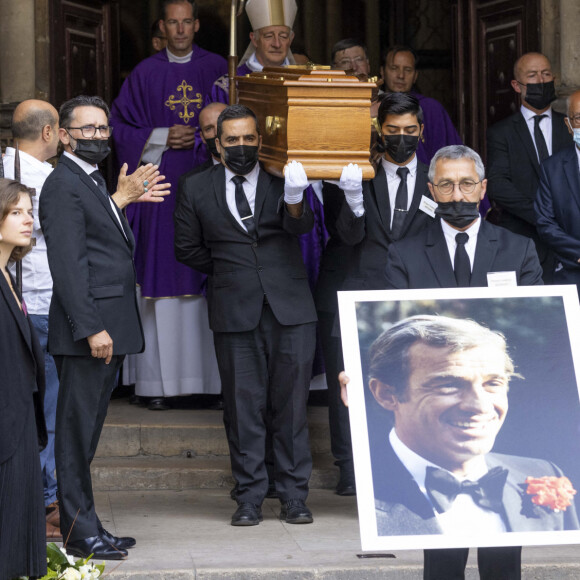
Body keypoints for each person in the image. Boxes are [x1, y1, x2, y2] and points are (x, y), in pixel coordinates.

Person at [342, 145, 543, 580]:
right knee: (443, 559)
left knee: (504, 560)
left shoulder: (519, 249)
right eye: (447, 185)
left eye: (467, 183)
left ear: (484, 188)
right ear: (431, 190)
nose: (458, 195)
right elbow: (388, 332)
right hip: (432, 418)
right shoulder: (405, 253)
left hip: (494, 422)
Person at [39, 95, 169, 560]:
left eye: (103, 129)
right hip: (86, 335)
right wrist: (92, 328)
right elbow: (69, 264)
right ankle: (78, 532)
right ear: (65, 135)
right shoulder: (62, 183)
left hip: (104, 328)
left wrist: (119, 200)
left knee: (88, 435)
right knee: (74, 437)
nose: (97, 136)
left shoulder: (87, 180)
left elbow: (97, 238)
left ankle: (87, 524)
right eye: (87, 129)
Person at [174, 104, 317, 527]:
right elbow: (187, 248)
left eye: (248, 139)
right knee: (242, 407)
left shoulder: (282, 176)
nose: (241, 146)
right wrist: (230, 272)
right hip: (234, 308)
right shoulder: (194, 186)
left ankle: (293, 496)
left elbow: (303, 228)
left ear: (260, 140)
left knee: (291, 407)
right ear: (217, 144)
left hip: (291, 308)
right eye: (231, 140)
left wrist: (294, 200)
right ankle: (250, 496)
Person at [110, 0, 227, 410]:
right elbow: (117, 125)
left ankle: (213, 384)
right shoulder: (144, 73)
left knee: (209, 272)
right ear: (163, 26)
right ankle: (157, 385)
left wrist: (200, 139)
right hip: (158, 189)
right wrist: (159, 135)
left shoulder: (219, 69)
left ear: (196, 25)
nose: (179, 30)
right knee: (160, 272)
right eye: (172, 23)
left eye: (186, 23)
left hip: (208, 184)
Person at [322, 92, 435, 495]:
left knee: (414, 386)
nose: (400, 138)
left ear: (421, 132)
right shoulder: (358, 174)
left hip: (419, 301)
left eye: (408, 131)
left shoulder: (437, 178)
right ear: (379, 130)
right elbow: (345, 237)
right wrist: (352, 199)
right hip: (359, 293)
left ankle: (408, 468)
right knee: (348, 386)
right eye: (391, 131)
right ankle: (349, 468)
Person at [3, 99, 62, 541]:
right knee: (48, 409)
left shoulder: (6, 165)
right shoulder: (45, 180)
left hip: (23, 299)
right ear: (49, 133)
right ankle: (46, 502)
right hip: (38, 303)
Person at [486, 52, 573, 282]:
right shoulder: (501, 133)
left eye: (546, 74)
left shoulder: (570, 127)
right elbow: (498, 185)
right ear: (517, 85)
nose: (541, 81)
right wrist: (543, 217)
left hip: (571, 242)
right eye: (533, 75)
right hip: (522, 239)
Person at [0, 178, 48, 580]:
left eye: (29, 212)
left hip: (19, 419)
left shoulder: (7, 276)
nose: (27, 220)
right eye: (16, 212)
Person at [381, 45, 462, 165]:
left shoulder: (430, 108)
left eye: (407, 70)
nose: (401, 75)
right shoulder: (374, 109)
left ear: (415, 76)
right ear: (382, 72)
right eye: (394, 68)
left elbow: (452, 156)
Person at [535, 90, 580, 296]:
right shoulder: (552, 168)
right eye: (579, 118)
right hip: (571, 274)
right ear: (568, 125)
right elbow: (545, 222)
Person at [211, 0, 297, 103]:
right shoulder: (228, 86)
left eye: (283, 36)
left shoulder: (303, 83)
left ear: (291, 39)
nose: (277, 44)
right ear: (254, 39)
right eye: (269, 36)